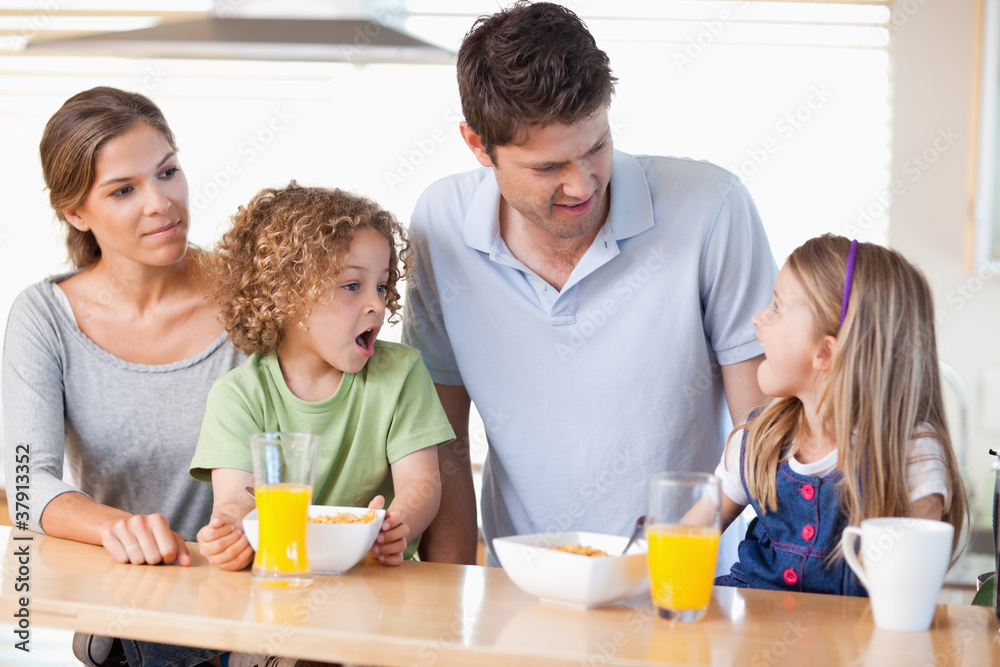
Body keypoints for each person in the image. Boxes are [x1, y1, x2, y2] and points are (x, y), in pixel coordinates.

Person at [401, 1, 778, 565]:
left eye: (596, 147)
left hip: (689, 591)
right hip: (520, 591)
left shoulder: (711, 208)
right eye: (548, 168)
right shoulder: (442, 223)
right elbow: (442, 441)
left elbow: (762, 429)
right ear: (478, 145)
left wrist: (679, 552)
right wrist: (451, 601)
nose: (582, 186)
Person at [2, 87, 243, 665]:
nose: (160, 203)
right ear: (76, 212)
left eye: (167, 172)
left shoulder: (250, 296)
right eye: (124, 190)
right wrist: (121, 528)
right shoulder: (44, 317)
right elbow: (26, 482)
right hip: (131, 622)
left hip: (259, 619)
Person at [190, 182, 453, 574]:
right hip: (280, 576)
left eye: (382, 286)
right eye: (352, 285)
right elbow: (237, 498)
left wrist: (398, 524)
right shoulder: (238, 395)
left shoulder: (401, 374)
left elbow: (422, 485)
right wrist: (229, 530)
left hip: (377, 581)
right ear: (286, 297)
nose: (377, 304)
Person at [713, 235, 968, 595]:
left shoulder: (912, 454)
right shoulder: (756, 441)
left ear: (825, 352)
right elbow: (681, 540)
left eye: (776, 306)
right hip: (749, 642)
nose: (757, 319)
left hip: (855, 649)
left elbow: (913, 593)